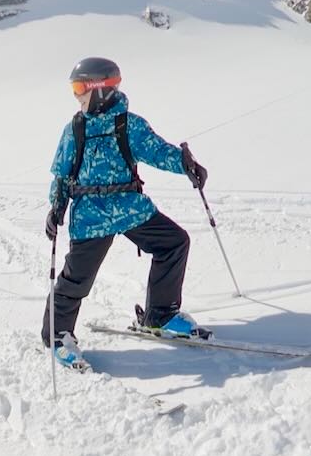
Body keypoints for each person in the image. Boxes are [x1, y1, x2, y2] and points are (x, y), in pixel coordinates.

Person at [41, 56, 208, 368]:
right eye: (74, 88)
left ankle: (161, 315)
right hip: (91, 215)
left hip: (129, 208)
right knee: (76, 280)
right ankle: (58, 335)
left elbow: (157, 150)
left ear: (100, 89)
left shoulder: (128, 125)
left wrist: (185, 164)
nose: (76, 95)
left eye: (79, 87)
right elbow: (62, 175)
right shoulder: (75, 129)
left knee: (174, 243)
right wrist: (57, 206)